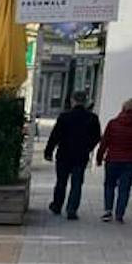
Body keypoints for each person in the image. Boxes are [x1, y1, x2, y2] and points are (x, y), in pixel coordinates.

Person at [45, 91, 101, 219]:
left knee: (61, 182)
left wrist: (48, 152)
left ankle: (57, 205)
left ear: (73, 101)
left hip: (64, 154)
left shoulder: (64, 116)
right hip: (81, 155)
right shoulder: (92, 118)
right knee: (77, 184)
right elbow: (97, 137)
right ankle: (72, 209)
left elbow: (55, 136)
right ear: (85, 101)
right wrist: (88, 147)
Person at [97, 98, 132, 224]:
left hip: (113, 160)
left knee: (109, 185)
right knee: (124, 189)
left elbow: (104, 143)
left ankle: (108, 211)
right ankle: (120, 214)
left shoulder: (113, 123)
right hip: (131, 161)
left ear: (123, 108)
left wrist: (99, 157)